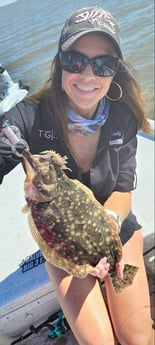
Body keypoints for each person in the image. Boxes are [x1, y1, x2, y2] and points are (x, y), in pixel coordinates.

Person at [0, 6, 154, 345]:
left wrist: (107, 230)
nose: (87, 75)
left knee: (138, 341)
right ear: (60, 63)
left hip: (115, 231)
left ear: (115, 72)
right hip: (63, 244)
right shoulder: (30, 117)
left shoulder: (123, 117)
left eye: (103, 65)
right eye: (75, 60)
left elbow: (124, 189)